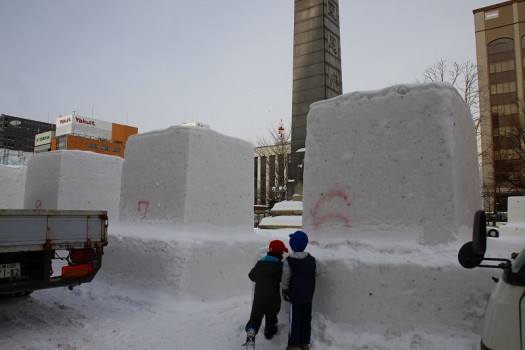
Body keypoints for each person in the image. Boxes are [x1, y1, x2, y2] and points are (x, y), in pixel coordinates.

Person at [244, 239, 289, 349]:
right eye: (282, 252)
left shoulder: (260, 264)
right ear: (280, 253)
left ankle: (251, 332)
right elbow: (284, 280)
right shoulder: (280, 266)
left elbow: (251, 276)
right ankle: (269, 333)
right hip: (273, 300)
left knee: (255, 319)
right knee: (271, 318)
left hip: (258, 299)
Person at [281, 230, 316, 350]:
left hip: (295, 296)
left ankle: (292, 345)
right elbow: (315, 274)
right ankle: (304, 342)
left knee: (294, 320)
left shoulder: (288, 261)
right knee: (306, 319)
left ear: (292, 244)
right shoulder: (312, 260)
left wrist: (284, 289)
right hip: (308, 295)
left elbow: (286, 277)